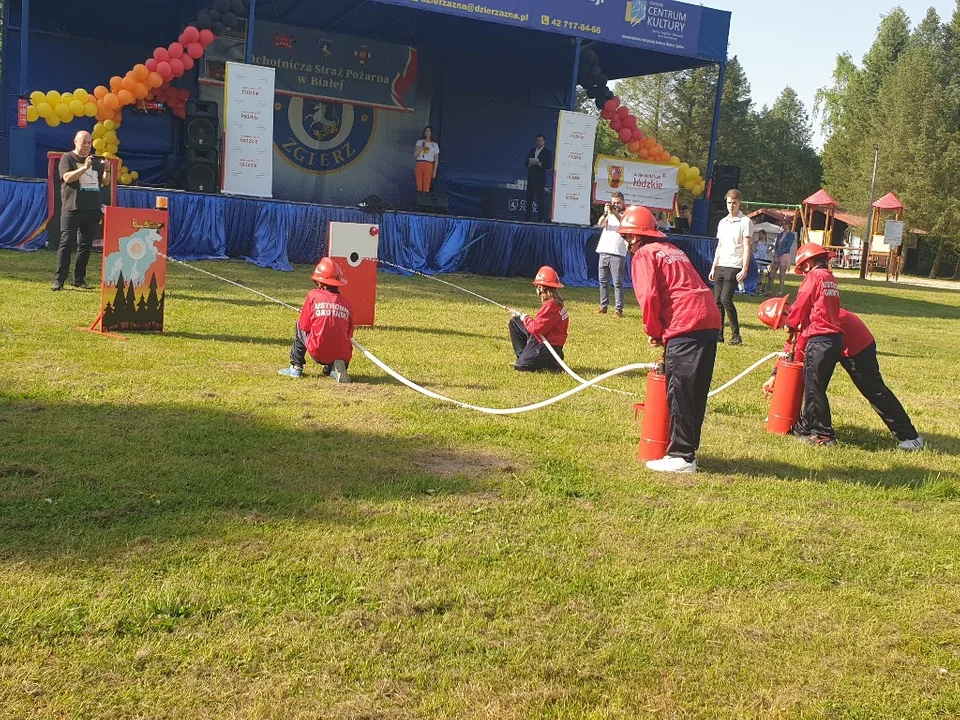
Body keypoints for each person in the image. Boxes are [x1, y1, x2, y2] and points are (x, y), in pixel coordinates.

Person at [618, 205, 722, 474]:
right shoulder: (673, 250)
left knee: (681, 390)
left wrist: (654, 331)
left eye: (626, 238)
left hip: (686, 323)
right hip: (708, 319)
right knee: (694, 392)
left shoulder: (643, 255)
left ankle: (682, 456)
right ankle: (687, 451)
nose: (627, 244)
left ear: (634, 237)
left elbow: (649, 297)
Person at [760, 301, 923, 451]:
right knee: (814, 386)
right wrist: (775, 375)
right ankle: (810, 428)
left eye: (780, 324)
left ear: (786, 311)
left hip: (857, 345)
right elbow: (791, 345)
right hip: (832, 345)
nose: (782, 328)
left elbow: (797, 351)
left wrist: (779, 376)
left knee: (874, 390)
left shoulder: (809, 317)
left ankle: (910, 437)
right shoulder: (798, 316)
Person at [782, 243, 843, 446]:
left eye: (803, 267)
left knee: (814, 389)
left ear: (808, 262)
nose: (803, 272)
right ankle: (806, 426)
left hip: (819, 338)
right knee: (815, 386)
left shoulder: (814, 277)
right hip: (834, 339)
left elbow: (802, 301)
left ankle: (823, 434)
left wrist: (791, 323)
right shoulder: (830, 278)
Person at [279, 257, 355, 383]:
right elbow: (349, 333)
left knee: (299, 326)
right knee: (342, 341)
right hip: (342, 354)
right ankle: (335, 368)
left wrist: (306, 313)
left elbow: (304, 325)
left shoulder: (313, 296)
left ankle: (295, 367)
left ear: (319, 282)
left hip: (318, 352)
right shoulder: (347, 303)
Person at [54, 130, 111, 291]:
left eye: (88, 142)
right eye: (83, 141)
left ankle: (79, 278)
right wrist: (84, 168)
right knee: (66, 243)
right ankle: (59, 279)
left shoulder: (95, 160)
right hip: (72, 207)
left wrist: (107, 169)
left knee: (85, 245)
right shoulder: (68, 158)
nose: (86, 145)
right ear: (75, 141)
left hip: (91, 208)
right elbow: (66, 177)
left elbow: (105, 182)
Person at [506, 266, 568, 372]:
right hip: (543, 338)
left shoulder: (551, 306)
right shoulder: (553, 303)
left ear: (540, 288)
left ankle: (549, 361)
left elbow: (536, 328)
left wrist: (525, 318)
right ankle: (525, 356)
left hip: (549, 346)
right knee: (515, 322)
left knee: (521, 366)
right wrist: (522, 318)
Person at [710, 189, 751, 345]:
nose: (731, 206)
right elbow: (719, 246)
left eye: (734, 203)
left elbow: (747, 246)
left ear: (739, 203)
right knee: (717, 301)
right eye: (729, 202)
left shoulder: (745, 222)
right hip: (721, 263)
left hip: (734, 264)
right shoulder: (723, 222)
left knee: (726, 299)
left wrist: (744, 268)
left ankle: (736, 335)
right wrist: (714, 267)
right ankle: (718, 334)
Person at [596, 191, 627, 317]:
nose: (616, 205)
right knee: (603, 281)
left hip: (618, 252)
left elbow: (625, 224)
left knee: (617, 283)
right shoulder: (609, 214)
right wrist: (606, 213)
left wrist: (616, 213)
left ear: (623, 202)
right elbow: (600, 224)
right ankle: (603, 306)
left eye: (618, 202)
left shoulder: (626, 214)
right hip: (604, 250)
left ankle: (618, 310)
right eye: (613, 202)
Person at [525, 134, 553, 222]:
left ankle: (541, 218)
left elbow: (549, 165)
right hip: (531, 178)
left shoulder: (547, 152)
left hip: (540, 179)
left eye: (540, 140)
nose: (539, 142)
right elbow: (526, 163)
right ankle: (527, 218)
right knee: (529, 198)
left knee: (540, 199)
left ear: (544, 142)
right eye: (537, 140)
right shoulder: (532, 150)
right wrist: (530, 163)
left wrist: (540, 164)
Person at [771, 216, 796, 296]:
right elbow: (776, 245)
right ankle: (769, 290)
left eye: (785, 224)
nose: (783, 226)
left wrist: (779, 253)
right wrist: (775, 253)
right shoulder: (779, 234)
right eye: (782, 224)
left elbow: (787, 247)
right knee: (771, 274)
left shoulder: (791, 235)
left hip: (785, 255)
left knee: (781, 275)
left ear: (789, 225)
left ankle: (780, 292)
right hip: (777, 254)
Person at [413, 126, 439, 193]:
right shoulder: (420, 142)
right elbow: (415, 155)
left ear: (431, 133)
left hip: (428, 165)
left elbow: (436, 159)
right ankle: (419, 200)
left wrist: (434, 171)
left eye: (428, 131)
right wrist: (422, 146)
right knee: (419, 185)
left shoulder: (434, 144)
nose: (427, 133)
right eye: (425, 131)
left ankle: (425, 201)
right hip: (419, 163)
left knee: (426, 185)